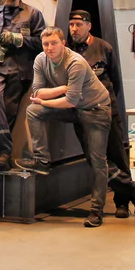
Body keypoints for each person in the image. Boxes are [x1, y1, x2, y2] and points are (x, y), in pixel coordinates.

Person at [19, 27, 112, 227]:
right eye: (46, 44)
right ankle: (42, 160)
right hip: (74, 107)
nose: (50, 48)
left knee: (97, 161)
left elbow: (69, 101)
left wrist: (46, 100)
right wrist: (62, 89)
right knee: (33, 110)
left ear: (63, 43)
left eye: (54, 43)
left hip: (96, 110)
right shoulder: (41, 60)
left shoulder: (76, 63)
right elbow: (37, 92)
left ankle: (97, 211)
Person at [68, 10, 135, 218]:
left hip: (106, 110)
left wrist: (107, 103)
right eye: (71, 25)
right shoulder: (68, 52)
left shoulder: (103, 48)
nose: (74, 29)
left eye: (78, 24)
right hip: (82, 113)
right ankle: (133, 188)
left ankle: (122, 203)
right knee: (95, 160)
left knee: (117, 156)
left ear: (88, 26)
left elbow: (115, 81)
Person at [0, 0, 45, 171]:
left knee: (8, 111)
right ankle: (0, 152)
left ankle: (1, 154)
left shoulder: (33, 14)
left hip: (18, 71)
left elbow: (42, 43)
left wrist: (20, 39)